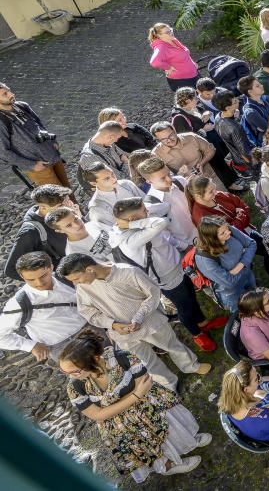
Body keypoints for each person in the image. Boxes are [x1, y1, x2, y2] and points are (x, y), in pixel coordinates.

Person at [59, 331, 210, 482]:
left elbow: (144, 384)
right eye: (65, 372)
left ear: (95, 359)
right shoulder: (74, 388)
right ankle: (167, 466)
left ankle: (188, 441)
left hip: (148, 405)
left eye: (75, 371)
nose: (71, 377)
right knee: (144, 443)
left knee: (169, 424)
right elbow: (97, 415)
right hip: (122, 425)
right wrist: (135, 395)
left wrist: (111, 408)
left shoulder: (123, 357)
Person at [59, 253, 212, 390]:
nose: (76, 284)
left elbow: (153, 294)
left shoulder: (128, 272)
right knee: (146, 362)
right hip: (122, 334)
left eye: (76, 279)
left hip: (150, 321)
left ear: (90, 269)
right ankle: (169, 384)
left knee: (172, 345)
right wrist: (112, 324)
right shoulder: (83, 287)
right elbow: (87, 311)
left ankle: (191, 366)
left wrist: (139, 317)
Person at [109, 198, 225, 351]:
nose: (148, 212)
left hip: (178, 264)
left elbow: (165, 207)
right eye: (144, 211)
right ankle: (197, 334)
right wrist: (132, 224)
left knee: (191, 296)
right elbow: (160, 223)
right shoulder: (129, 240)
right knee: (184, 307)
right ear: (132, 220)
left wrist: (139, 216)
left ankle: (203, 323)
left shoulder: (144, 220)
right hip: (167, 277)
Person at [186, 175, 269, 291]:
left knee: (266, 251)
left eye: (214, 187)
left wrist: (238, 219)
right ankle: (263, 288)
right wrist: (240, 217)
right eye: (211, 191)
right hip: (230, 244)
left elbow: (241, 204)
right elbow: (228, 231)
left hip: (244, 233)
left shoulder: (217, 195)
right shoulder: (200, 215)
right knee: (251, 263)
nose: (215, 192)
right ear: (198, 196)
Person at [0, 252, 89, 363]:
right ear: (22, 277)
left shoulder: (66, 278)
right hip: (64, 348)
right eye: (31, 280)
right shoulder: (19, 303)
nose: (39, 283)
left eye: (43, 276)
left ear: (51, 267)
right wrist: (31, 346)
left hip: (93, 329)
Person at [0, 81, 69, 188]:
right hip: (38, 166)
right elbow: (3, 152)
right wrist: (32, 165)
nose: (11, 94)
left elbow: (40, 125)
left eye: (9, 90)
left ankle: (74, 205)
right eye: (5, 94)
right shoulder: (1, 121)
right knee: (58, 199)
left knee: (68, 189)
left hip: (52, 155)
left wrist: (52, 142)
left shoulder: (22, 106)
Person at [4, 184, 73, 282]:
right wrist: (51, 281)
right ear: (43, 207)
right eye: (61, 206)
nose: (68, 206)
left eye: (68, 201)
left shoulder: (63, 212)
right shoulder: (30, 232)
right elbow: (11, 270)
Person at [194, 215, 256, 312]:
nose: (229, 232)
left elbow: (252, 243)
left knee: (257, 301)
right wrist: (246, 259)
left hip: (248, 276)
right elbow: (229, 283)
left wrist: (241, 264)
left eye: (227, 228)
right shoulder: (204, 259)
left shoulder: (226, 229)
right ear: (212, 238)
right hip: (233, 294)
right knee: (246, 314)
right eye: (223, 233)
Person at [137, 157, 198, 248]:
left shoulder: (180, 181)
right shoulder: (151, 205)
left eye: (169, 174)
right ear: (149, 181)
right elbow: (163, 234)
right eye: (162, 178)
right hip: (192, 245)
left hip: (212, 231)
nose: (169, 179)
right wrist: (185, 247)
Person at [150, 122, 224, 188]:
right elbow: (163, 178)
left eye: (171, 135)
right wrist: (180, 174)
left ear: (174, 130)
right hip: (190, 188)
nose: (169, 140)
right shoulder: (156, 154)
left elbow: (210, 150)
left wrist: (202, 163)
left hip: (211, 178)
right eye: (164, 139)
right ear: (157, 139)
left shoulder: (191, 137)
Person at [85, 164, 149, 230]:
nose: (113, 179)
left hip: (151, 222)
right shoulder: (97, 207)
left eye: (112, 174)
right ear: (93, 183)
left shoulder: (126, 184)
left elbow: (147, 202)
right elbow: (111, 231)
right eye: (107, 178)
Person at [46, 206, 114, 263]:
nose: (77, 224)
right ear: (60, 231)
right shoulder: (74, 253)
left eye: (76, 219)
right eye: (69, 225)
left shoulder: (93, 224)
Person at [148, 23, 199, 91]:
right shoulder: (161, 47)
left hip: (193, 74)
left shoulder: (172, 40)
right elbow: (154, 62)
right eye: (167, 32)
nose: (171, 33)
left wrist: (192, 63)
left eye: (170, 30)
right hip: (181, 80)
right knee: (193, 100)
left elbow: (184, 52)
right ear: (158, 35)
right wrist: (168, 67)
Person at [213, 90, 254, 174]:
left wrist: (236, 118)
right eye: (235, 102)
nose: (238, 101)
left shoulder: (218, 117)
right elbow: (244, 151)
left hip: (236, 158)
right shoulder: (234, 127)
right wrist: (254, 162)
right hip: (246, 162)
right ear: (227, 108)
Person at [237, 75, 269, 148]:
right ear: (250, 91)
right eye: (257, 86)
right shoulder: (250, 112)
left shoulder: (266, 98)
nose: (261, 85)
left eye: (259, 84)